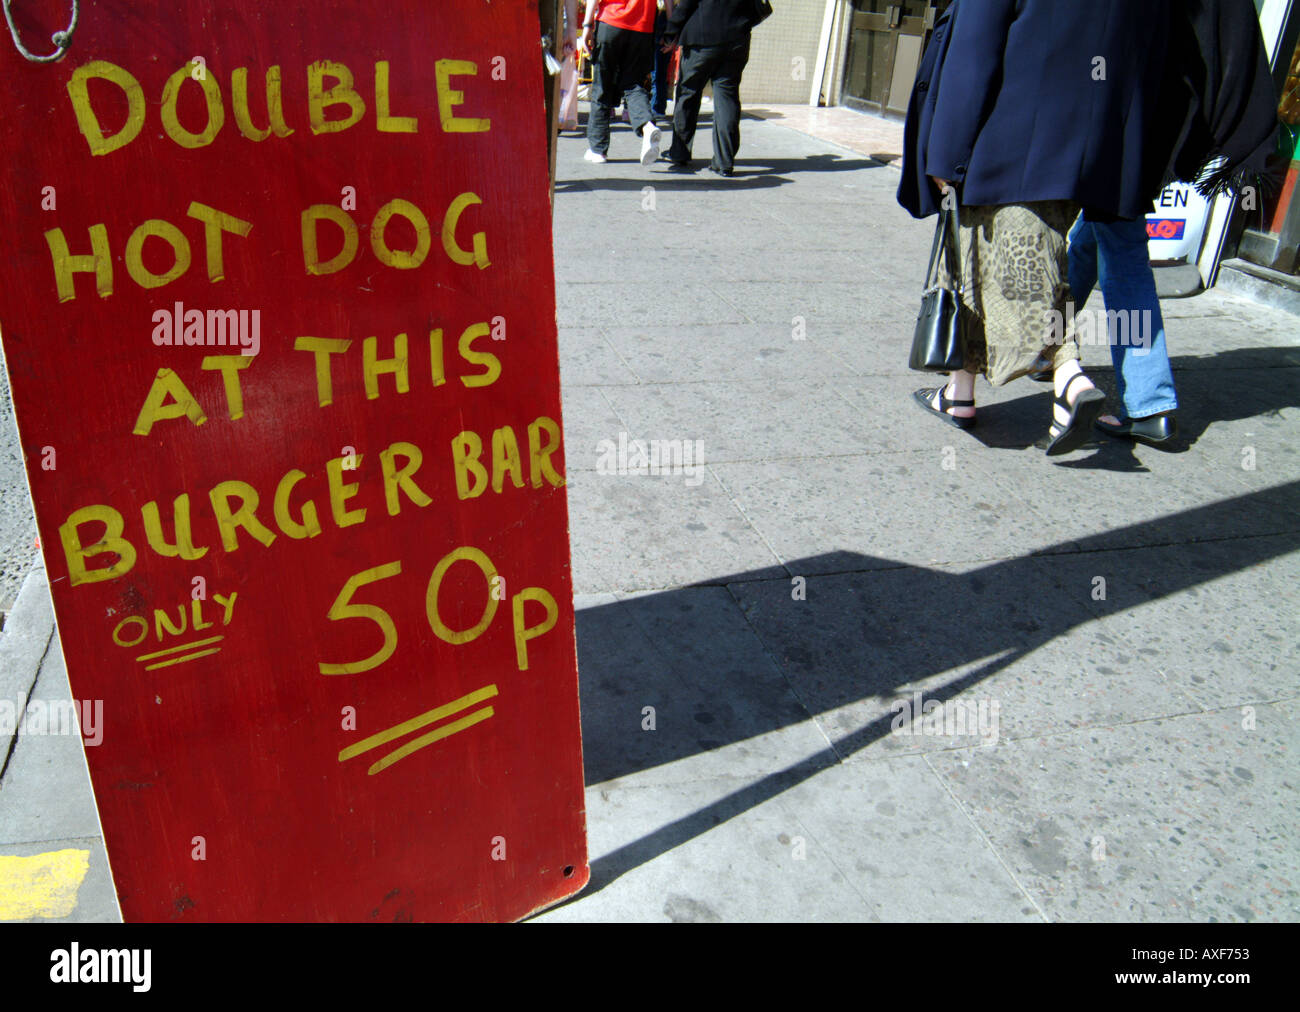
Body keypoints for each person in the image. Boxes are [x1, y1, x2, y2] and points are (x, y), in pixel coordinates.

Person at [898, 0, 1173, 456]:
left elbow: (975, 49)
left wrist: (945, 152)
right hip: (1080, 153)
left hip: (1004, 146)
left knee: (1003, 272)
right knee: (1013, 268)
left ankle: (1069, 379)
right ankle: (957, 393)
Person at [661, 0, 758, 177]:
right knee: (727, 98)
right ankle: (724, 162)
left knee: (688, 94)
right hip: (737, 39)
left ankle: (679, 152)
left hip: (702, 39)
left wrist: (670, 32)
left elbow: (686, 5)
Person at [582, 0, 663, 166]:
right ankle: (647, 125)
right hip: (643, 27)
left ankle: (598, 149)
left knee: (602, 85)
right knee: (634, 84)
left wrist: (587, 25)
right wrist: (670, 25)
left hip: (611, 21)